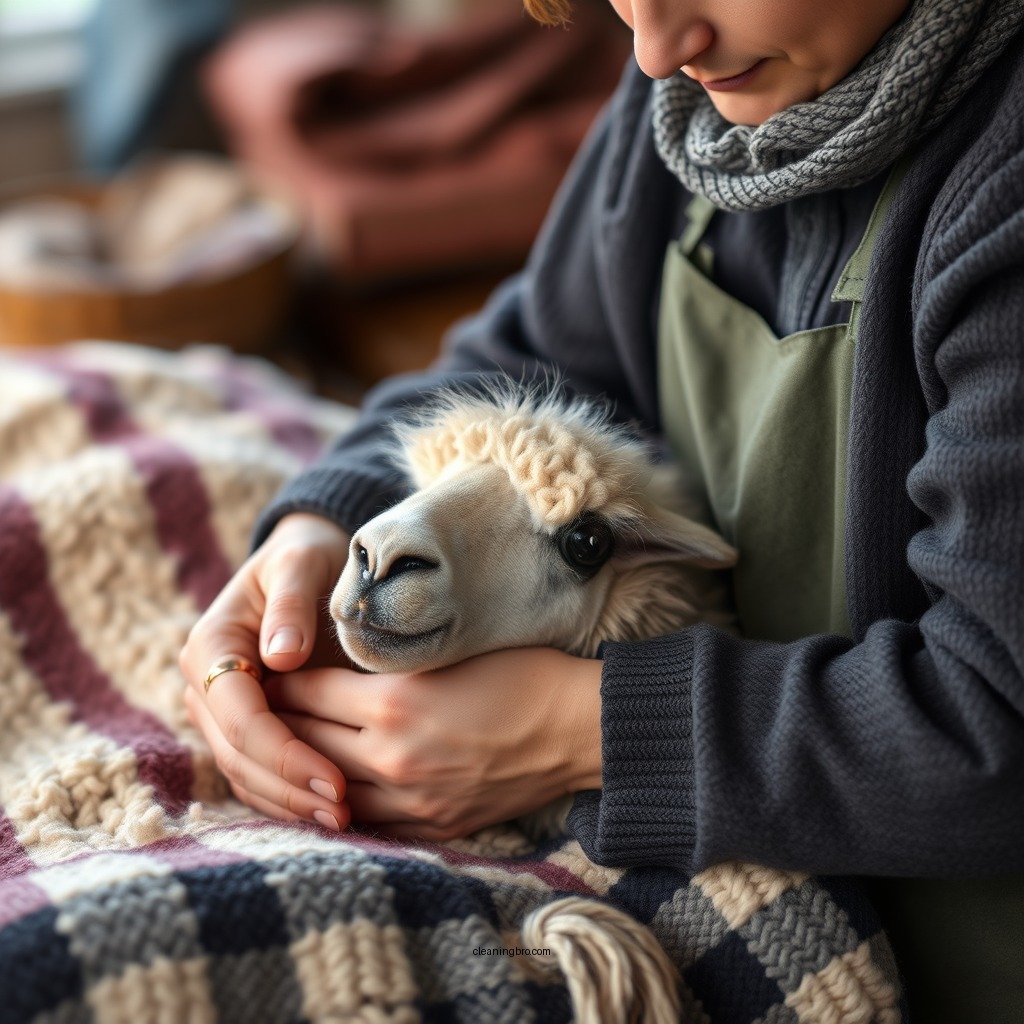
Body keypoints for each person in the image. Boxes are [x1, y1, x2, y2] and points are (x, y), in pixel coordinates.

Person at [179, 1, 1024, 1020]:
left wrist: (577, 730)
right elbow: (533, 351)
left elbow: (996, 722)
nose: (654, 46)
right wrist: (322, 522)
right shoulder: (683, 108)